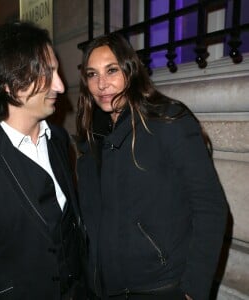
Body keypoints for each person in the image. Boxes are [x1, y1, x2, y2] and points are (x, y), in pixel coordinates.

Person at [75, 33, 228, 300]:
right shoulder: (92, 137)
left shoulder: (167, 120)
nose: (101, 83)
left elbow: (211, 206)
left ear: (130, 70)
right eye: (92, 74)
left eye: (111, 70)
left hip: (160, 288)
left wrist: (193, 290)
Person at [0, 21, 86, 300]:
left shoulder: (58, 138)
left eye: (57, 71)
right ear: (10, 86)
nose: (60, 85)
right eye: (47, 74)